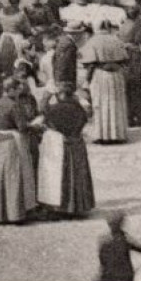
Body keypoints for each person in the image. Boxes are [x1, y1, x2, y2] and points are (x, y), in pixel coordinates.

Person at [37, 82, 95, 218]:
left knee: (60, 176)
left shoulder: (54, 109)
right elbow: (86, 116)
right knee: (77, 174)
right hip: (77, 144)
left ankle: (60, 207)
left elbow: (44, 113)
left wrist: (47, 96)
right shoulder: (80, 110)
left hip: (60, 143)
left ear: (60, 95)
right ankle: (78, 206)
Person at [0, 77, 39, 224]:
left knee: (0, 177)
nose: (18, 92)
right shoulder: (14, 106)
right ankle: (15, 213)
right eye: (17, 89)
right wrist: (34, 125)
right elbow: (21, 126)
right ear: (10, 90)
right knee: (15, 176)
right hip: (13, 143)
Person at [83, 20, 130, 144]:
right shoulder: (116, 40)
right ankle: (118, 134)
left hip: (101, 74)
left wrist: (86, 81)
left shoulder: (93, 41)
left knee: (101, 104)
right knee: (116, 104)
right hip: (116, 75)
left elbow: (90, 64)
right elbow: (125, 60)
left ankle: (102, 135)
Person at [94, 211, 141, 281]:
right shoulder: (125, 239)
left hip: (108, 274)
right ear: (121, 224)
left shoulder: (103, 240)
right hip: (125, 275)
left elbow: (101, 259)